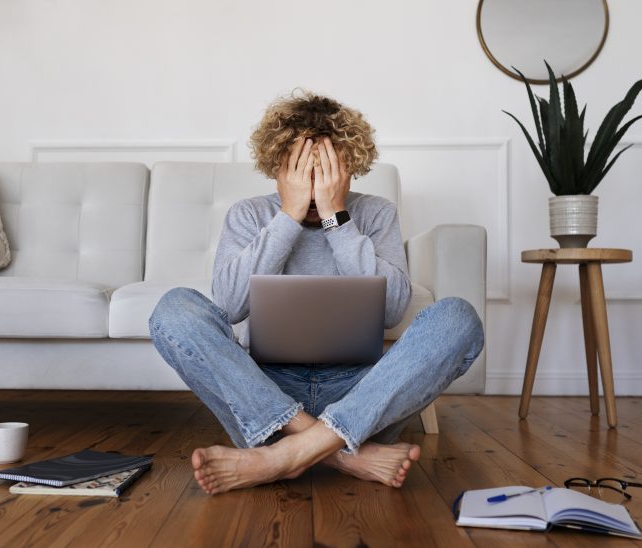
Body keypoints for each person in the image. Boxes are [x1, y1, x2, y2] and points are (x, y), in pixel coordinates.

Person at [149, 90, 484, 495]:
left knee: (458, 317)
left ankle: (282, 456)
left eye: (325, 172)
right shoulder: (249, 214)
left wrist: (336, 218)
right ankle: (341, 452)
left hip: (362, 394)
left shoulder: (375, 213)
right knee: (174, 309)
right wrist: (287, 217)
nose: (312, 186)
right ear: (277, 167)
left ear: (348, 169)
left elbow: (394, 310)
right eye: (300, 172)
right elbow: (230, 305)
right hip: (263, 393)